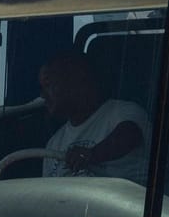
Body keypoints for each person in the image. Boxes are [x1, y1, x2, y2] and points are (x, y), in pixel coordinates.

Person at [37, 52, 152, 181]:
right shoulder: (54, 143)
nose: (42, 95)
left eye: (48, 85)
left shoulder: (123, 111)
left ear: (76, 79)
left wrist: (91, 155)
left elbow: (128, 135)